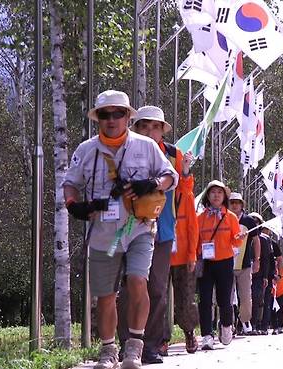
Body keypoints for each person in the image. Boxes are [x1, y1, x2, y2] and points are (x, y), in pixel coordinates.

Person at [63, 90, 178, 369]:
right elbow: (70, 183)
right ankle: (108, 350)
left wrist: (152, 185)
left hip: (137, 228)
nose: (111, 119)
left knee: (139, 281)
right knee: (105, 295)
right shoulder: (86, 150)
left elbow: (170, 176)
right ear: (97, 118)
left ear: (128, 116)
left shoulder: (146, 146)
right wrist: (73, 205)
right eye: (105, 114)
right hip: (105, 234)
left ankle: (134, 349)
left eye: (118, 113)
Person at [114, 106, 198, 363]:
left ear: (162, 130)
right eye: (143, 126)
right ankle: (126, 342)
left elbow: (184, 192)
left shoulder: (174, 154)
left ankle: (149, 345)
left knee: (157, 287)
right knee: (129, 286)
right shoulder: (125, 149)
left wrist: (184, 172)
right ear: (135, 128)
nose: (149, 131)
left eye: (155, 126)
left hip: (162, 229)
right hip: (129, 226)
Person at [196, 180, 243, 350]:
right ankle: (207, 335)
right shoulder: (199, 218)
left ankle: (226, 327)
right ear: (208, 196)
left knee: (225, 299)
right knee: (205, 300)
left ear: (224, 197)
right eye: (213, 192)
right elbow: (196, 241)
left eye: (220, 192)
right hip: (206, 263)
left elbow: (236, 243)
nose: (216, 195)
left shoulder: (230, 217)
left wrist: (239, 239)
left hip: (225, 262)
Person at [227, 192, 261, 335]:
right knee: (226, 296)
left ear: (242, 204)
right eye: (232, 202)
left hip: (244, 264)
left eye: (237, 202)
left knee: (246, 295)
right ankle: (227, 323)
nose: (235, 205)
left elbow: (256, 241)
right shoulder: (224, 218)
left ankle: (245, 321)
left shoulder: (249, 221)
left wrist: (257, 260)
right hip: (226, 264)